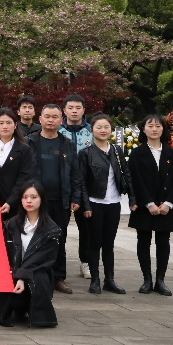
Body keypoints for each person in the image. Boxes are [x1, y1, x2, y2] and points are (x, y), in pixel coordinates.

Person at [0, 107, 35, 309]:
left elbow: (24, 179)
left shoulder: (24, 149)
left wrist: (11, 201)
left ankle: (10, 291)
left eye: (9, 123)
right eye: (1, 123)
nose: (5, 126)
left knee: (12, 249)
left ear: (15, 125)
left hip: (14, 207)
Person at [26, 103, 81, 295]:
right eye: (47, 116)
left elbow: (75, 173)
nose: (50, 120)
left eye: (55, 117)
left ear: (61, 120)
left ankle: (58, 277)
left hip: (60, 200)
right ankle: (33, 275)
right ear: (40, 119)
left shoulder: (67, 144)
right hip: (35, 201)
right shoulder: (30, 142)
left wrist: (75, 197)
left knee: (59, 238)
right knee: (33, 238)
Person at [79, 113, 136, 295]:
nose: (103, 130)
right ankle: (95, 279)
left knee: (109, 243)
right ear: (92, 130)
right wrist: (86, 206)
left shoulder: (117, 151)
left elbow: (127, 174)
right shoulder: (86, 153)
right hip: (94, 203)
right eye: (99, 127)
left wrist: (133, 198)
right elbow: (81, 182)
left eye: (106, 127)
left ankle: (109, 280)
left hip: (114, 202)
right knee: (94, 242)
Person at [0, 182, 61, 328]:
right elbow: (4, 254)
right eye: (25, 197)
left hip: (36, 274)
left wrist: (22, 276)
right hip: (14, 272)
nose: (29, 201)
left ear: (41, 199)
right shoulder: (11, 224)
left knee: (38, 277)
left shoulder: (51, 229)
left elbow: (42, 259)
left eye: (34, 197)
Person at [128, 114, 173, 296]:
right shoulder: (137, 154)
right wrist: (148, 203)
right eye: (150, 126)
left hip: (166, 207)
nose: (154, 129)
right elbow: (136, 181)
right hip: (145, 206)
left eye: (158, 126)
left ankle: (160, 280)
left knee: (163, 242)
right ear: (143, 129)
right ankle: (147, 280)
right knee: (143, 241)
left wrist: (168, 203)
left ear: (163, 129)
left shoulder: (171, 153)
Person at [59, 94, 94, 281]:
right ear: (64, 110)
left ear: (83, 110)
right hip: (63, 186)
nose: (74, 111)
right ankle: (58, 267)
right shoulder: (57, 131)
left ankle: (86, 262)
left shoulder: (92, 131)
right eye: (70, 107)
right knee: (59, 229)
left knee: (86, 228)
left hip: (86, 186)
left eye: (78, 107)